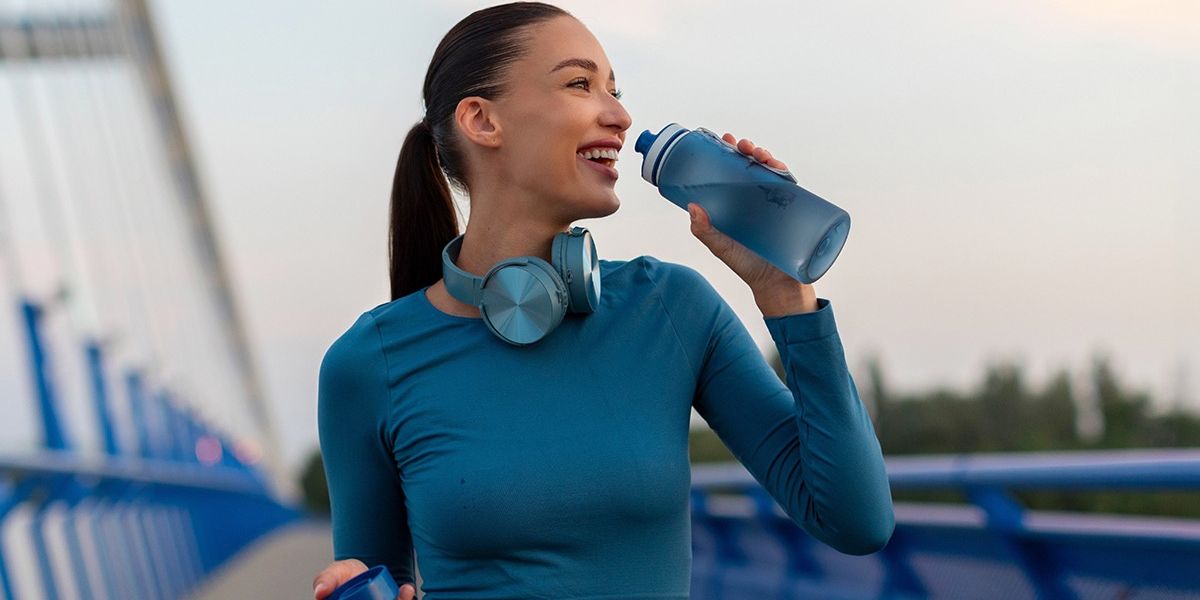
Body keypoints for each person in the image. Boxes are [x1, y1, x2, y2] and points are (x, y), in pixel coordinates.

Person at [312, 3, 894, 599]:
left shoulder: (671, 308)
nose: (618, 115)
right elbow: (374, 578)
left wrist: (784, 291)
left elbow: (856, 521)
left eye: (615, 90)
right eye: (579, 84)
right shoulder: (368, 362)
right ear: (482, 121)